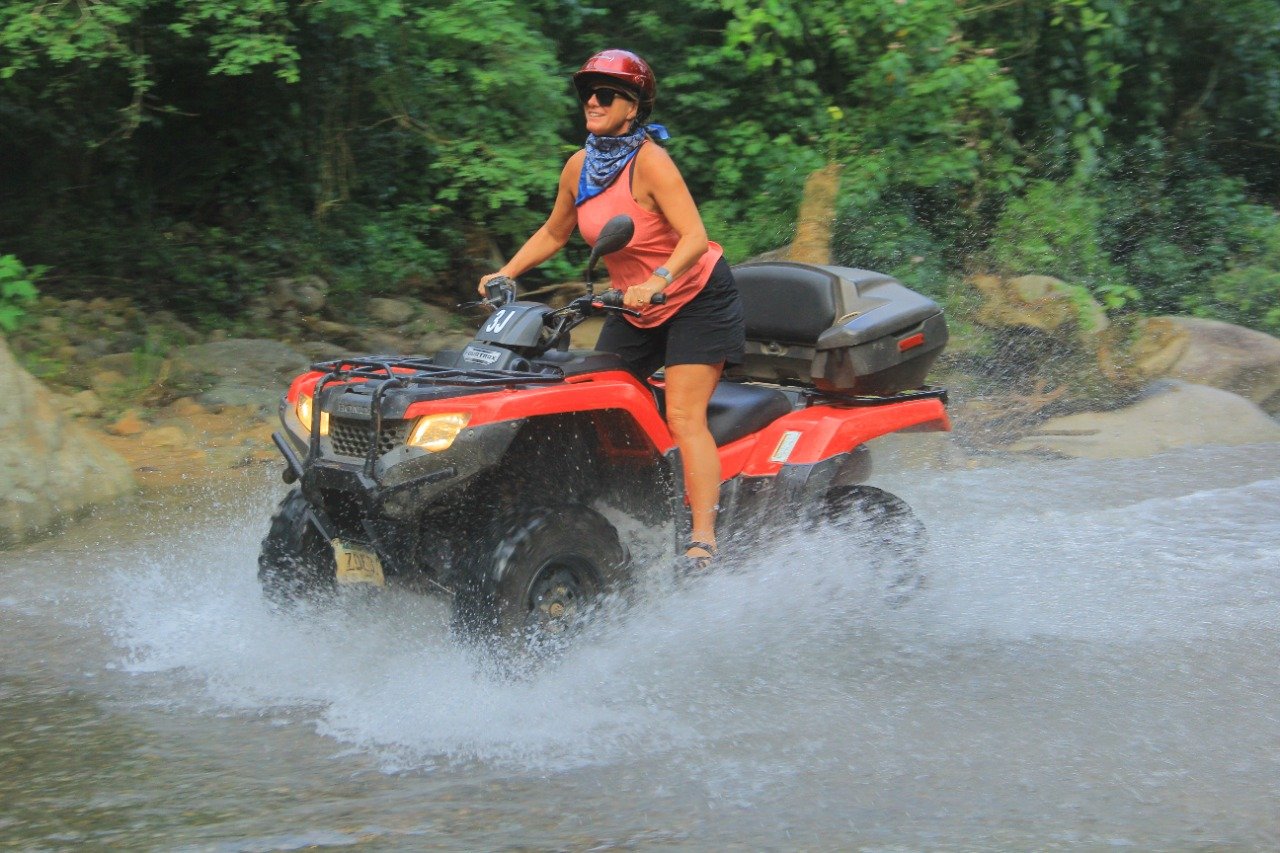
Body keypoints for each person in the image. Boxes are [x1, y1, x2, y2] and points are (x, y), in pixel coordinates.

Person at [478, 48, 745, 572]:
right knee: (592, 402)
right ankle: (596, 511)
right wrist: (507, 272)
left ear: (633, 107)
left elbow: (693, 236)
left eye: (606, 94)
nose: (592, 102)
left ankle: (704, 540)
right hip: (631, 304)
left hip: (695, 295)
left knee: (683, 414)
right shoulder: (580, 166)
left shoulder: (652, 163)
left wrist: (660, 279)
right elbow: (556, 231)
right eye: (587, 93)